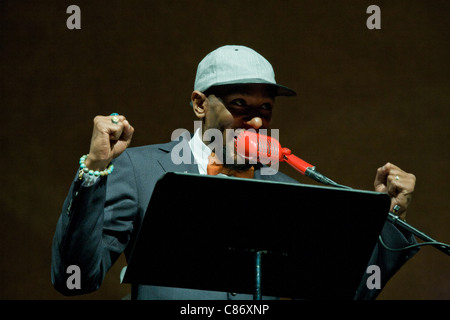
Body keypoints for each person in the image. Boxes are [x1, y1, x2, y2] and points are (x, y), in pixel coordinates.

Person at [51, 45, 418, 300]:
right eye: (240, 104)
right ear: (199, 104)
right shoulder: (141, 169)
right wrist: (94, 169)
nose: (257, 120)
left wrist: (392, 215)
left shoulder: (285, 189)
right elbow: (76, 279)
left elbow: (340, 294)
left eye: (266, 108)